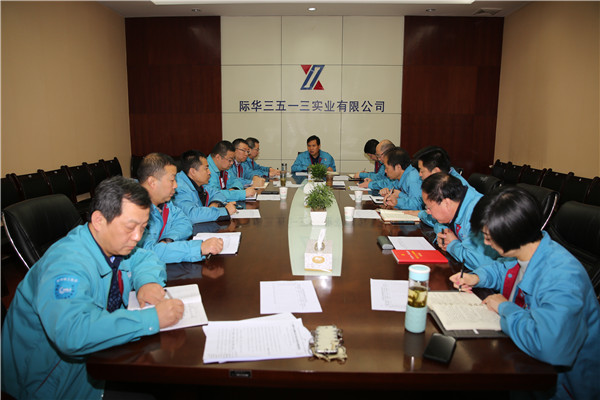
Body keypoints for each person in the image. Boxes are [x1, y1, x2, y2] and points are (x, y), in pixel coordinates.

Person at [1, 176, 185, 400]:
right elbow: (73, 334)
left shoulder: (112, 244)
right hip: (55, 384)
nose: (137, 237)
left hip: (98, 358)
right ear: (99, 220)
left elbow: (146, 258)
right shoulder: (65, 265)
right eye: (130, 227)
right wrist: (152, 319)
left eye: (143, 227)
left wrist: (147, 282)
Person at [450, 186, 600, 399]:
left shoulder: (563, 276)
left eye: (488, 236)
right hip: (523, 361)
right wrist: (476, 277)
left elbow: (550, 346)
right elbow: (503, 270)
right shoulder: (528, 251)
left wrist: (504, 307)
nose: (485, 243)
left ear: (511, 235)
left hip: (559, 386)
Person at [138, 152, 223, 263]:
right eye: (172, 180)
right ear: (152, 182)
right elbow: (149, 253)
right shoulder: (135, 209)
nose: (176, 186)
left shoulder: (166, 203)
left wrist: (167, 240)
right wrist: (199, 248)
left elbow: (185, 222)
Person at [419, 172, 510, 270]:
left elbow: (479, 261)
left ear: (446, 204)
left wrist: (452, 244)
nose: (428, 212)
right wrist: (444, 233)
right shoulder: (457, 204)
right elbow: (437, 224)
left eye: (429, 207)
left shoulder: (478, 215)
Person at [173, 150, 237, 224]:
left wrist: (214, 203)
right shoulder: (179, 188)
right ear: (193, 172)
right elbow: (192, 215)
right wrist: (225, 211)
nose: (209, 172)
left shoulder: (200, 183)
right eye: (206, 168)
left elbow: (218, 193)